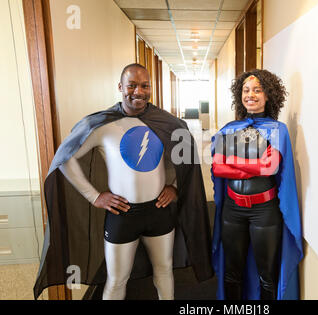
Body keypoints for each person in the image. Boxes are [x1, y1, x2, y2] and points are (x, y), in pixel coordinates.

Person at [34, 63, 213, 300]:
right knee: (117, 279)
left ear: (151, 88)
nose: (138, 91)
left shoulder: (166, 123)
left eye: (144, 86)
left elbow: (187, 158)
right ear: (120, 87)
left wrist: (175, 187)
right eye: (132, 85)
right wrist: (94, 196)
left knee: (164, 271)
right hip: (122, 214)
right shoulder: (102, 125)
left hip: (158, 211)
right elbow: (66, 159)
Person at [211, 69, 304, 300]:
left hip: (265, 212)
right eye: (245, 90)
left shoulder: (277, 129)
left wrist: (233, 162)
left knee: (267, 277)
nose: (250, 95)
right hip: (233, 211)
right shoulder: (230, 128)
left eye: (257, 90)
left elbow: (270, 168)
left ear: (268, 95)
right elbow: (217, 168)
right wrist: (252, 165)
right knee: (232, 274)